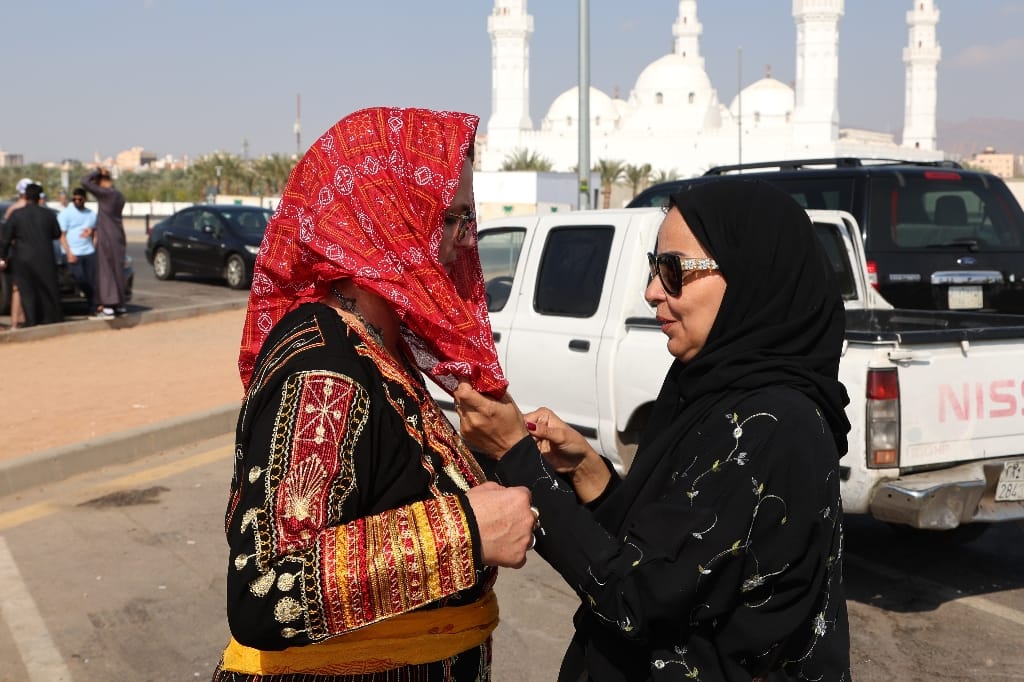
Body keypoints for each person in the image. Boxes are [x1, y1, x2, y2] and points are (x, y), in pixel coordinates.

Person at [456, 178, 852, 681]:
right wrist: (586, 471)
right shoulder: (708, 387)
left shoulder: (772, 424)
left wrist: (517, 455)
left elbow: (638, 596)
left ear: (750, 275)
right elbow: (669, 543)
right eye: (653, 267)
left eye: (673, 271)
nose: (651, 292)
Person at [212, 107, 537, 681]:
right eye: (454, 218)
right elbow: (265, 591)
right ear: (389, 220)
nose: (466, 242)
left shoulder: (377, 344)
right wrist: (462, 531)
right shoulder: (324, 370)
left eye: (470, 218)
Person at [0, 183, 63, 327]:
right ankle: (51, 319)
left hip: (23, 259)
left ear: (26, 196)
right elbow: (56, 234)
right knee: (49, 289)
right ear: (39, 197)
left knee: (27, 292)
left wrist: (2, 257)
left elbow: (6, 238)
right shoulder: (48, 214)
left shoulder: (16, 215)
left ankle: (32, 320)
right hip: (45, 257)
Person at [80, 167, 127, 318]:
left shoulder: (106, 194)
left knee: (105, 269)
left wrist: (96, 171)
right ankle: (119, 305)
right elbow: (108, 217)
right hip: (117, 235)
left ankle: (108, 306)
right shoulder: (119, 195)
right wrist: (94, 228)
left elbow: (84, 182)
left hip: (107, 236)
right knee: (116, 269)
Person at [57, 187, 98, 312]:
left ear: (84, 199)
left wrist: (94, 248)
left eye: (80, 199)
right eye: (74, 199)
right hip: (73, 253)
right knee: (80, 279)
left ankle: (94, 307)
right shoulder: (65, 214)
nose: (77, 201)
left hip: (88, 252)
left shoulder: (91, 214)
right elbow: (62, 236)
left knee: (92, 280)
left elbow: (95, 234)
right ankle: (89, 297)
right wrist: (69, 253)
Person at [3, 177, 35, 329]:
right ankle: (20, 320)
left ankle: (17, 321)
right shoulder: (26, 210)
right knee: (22, 287)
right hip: (26, 254)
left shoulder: (12, 210)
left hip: (16, 253)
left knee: (18, 288)